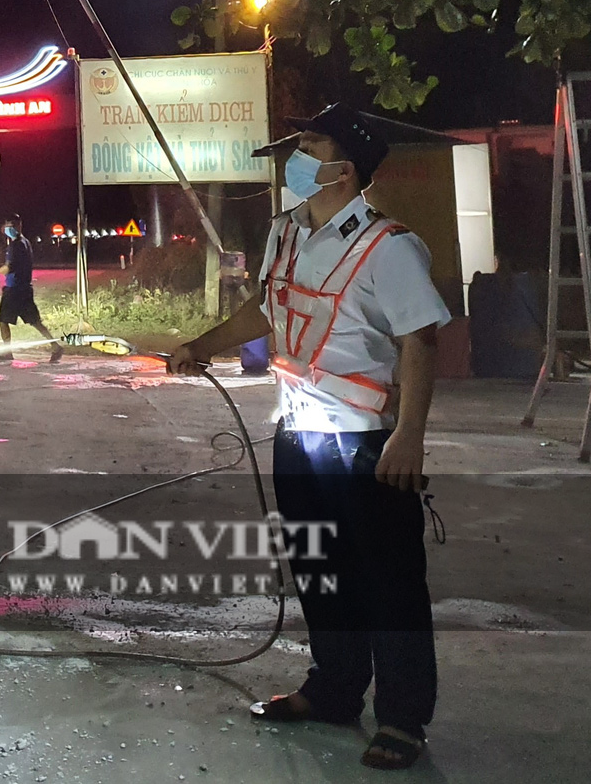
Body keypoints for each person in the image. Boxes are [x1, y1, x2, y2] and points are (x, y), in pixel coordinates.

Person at [165, 105, 449, 771]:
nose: (296, 156)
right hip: (297, 432)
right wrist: (198, 346)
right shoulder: (287, 233)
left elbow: (420, 341)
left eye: (310, 145)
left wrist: (410, 434)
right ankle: (333, 690)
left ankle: (403, 717)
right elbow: (265, 309)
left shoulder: (391, 247)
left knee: (390, 582)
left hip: (365, 442)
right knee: (321, 570)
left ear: (344, 169)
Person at [0, 215, 60, 357]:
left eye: (9, 226)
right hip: (25, 289)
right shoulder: (26, 242)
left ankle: (7, 352)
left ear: (17, 226)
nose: (6, 229)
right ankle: (55, 346)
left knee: (3, 320)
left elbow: (8, 268)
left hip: (14, 290)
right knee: (35, 321)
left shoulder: (15, 245)